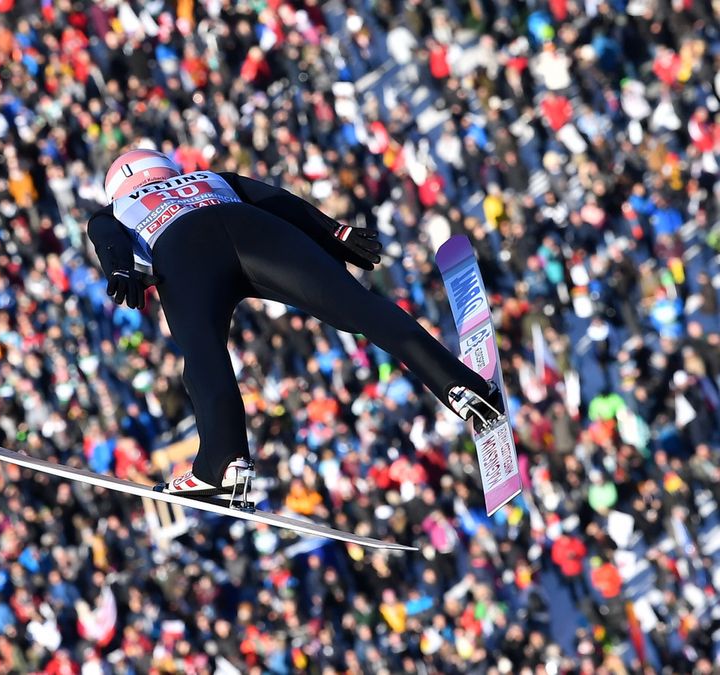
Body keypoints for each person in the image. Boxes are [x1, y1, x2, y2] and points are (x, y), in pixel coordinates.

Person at [87, 149, 504, 502]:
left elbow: (108, 236)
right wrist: (333, 231)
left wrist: (120, 269)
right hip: (254, 228)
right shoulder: (208, 177)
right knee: (358, 307)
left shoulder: (117, 210)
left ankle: (225, 463)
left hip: (183, 251)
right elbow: (277, 200)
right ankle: (459, 384)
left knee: (204, 357)